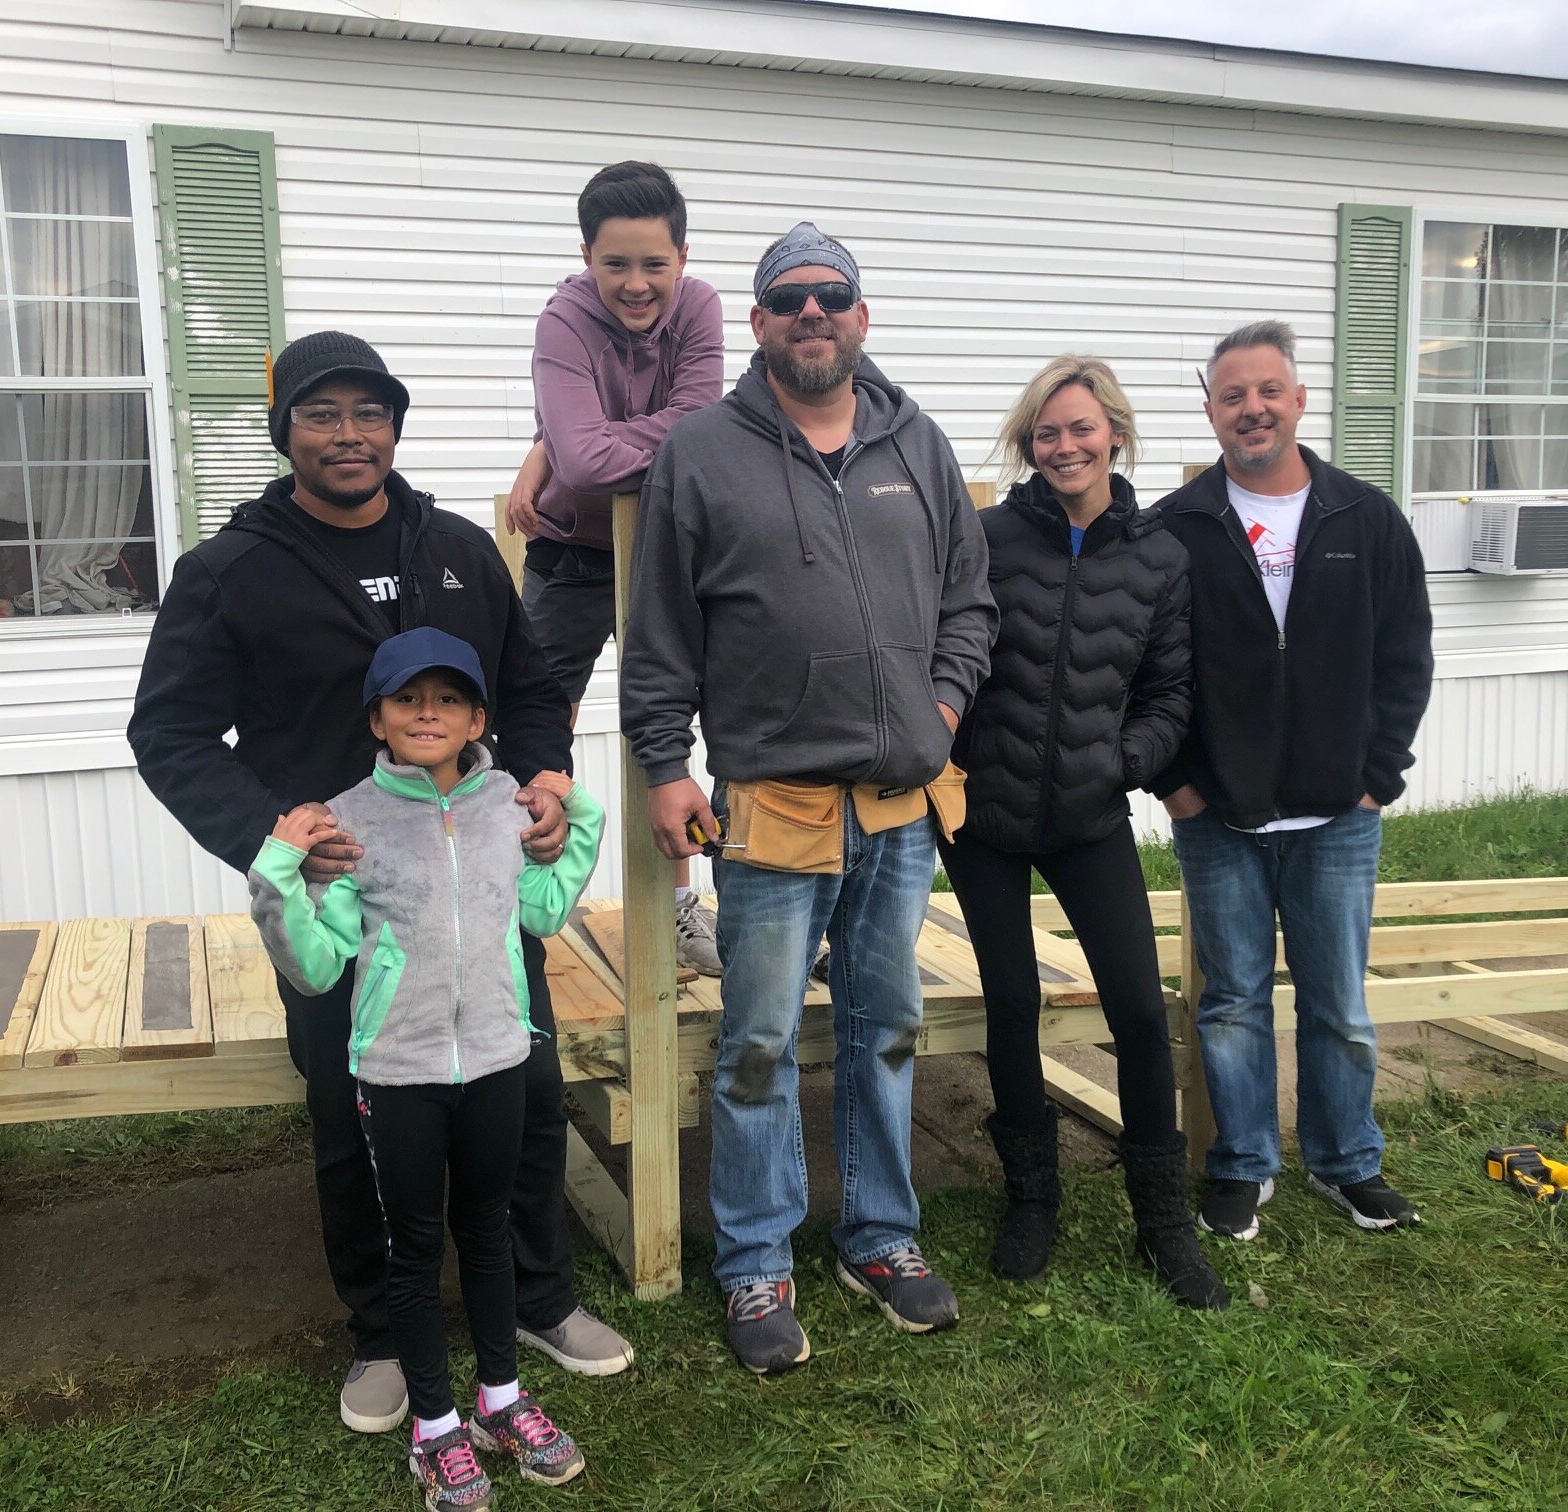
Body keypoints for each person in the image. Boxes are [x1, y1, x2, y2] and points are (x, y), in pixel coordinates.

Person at [129, 331, 635, 1440]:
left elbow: (532, 685)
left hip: (476, 888)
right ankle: (377, 1332)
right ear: (287, 432)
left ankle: (540, 1297)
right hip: (343, 901)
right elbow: (167, 733)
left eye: (369, 411)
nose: (349, 434)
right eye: (323, 413)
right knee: (351, 1120)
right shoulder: (229, 573)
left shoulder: (457, 549)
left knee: (526, 1095)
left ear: (395, 425)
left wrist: (543, 777)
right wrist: (272, 833)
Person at [621, 222, 997, 1374]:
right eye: (788, 299)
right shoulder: (703, 452)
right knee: (759, 1041)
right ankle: (755, 1263)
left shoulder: (915, 441)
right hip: (771, 803)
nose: (812, 313)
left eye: (832, 295)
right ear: (759, 324)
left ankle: (881, 1236)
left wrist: (939, 712)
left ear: (862, 316)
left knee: (886, 1028)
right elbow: (661, 637)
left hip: (899, 804)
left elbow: (970, 606)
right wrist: (663, 764)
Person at [251, 629, 599, 1509]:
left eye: (448, 700)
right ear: (378, 717)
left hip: (496, 1061)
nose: (427, 714)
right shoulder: (345, 821)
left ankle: (501, 1400)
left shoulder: (505, 809)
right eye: (408, 700)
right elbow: (318, 964)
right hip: (397, 1074)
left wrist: (577, 808)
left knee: (485, 1231)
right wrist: (279, 870)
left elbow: (548, 907)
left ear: (480, 717)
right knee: (415, 1249)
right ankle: (435, 1427)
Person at [940, 357, 1226, 1307]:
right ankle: (1033, 1200)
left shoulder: (1159, 558)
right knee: (1012, 1007)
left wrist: (1123, 760)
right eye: (1046, 435)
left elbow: (1172, 691)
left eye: (1080, 429)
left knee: (1141, 1014)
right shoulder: (983, 540)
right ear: (1030, 447)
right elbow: (950, 656)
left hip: (1091, 817)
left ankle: (1162, 1223)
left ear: (1116, 433)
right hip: (984, 820)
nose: (1064, 447)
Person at [1151, 319, 1435, 1240]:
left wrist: (1375, 778)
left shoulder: (1365, 519)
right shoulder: (1176, 529)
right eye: (1232, 396)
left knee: (1338, 1003)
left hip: (1337, 814)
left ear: (1300, 399)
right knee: (1230, 1002)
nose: (1252, 409)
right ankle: (1241, 1164)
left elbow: (1406, 657)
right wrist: (1176, 786)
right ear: (1211, 413)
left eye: (1267, 390)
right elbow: (1149, 672)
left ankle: (1347, 1161)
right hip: (1218, 814)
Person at [504, 160, 728, 976]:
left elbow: (687, 431)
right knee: (533, 720)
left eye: (654, 265)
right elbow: (592, 464)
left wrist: (563, 446)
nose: (636, 285)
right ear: (586, 257)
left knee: (667, 723)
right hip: (570, 551)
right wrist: (564, 451)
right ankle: (515, 901)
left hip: (670, 547)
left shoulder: (700, 307)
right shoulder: (563, 322)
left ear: (683, 256)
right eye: (615, 265)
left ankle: (678, 910)